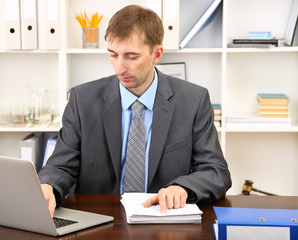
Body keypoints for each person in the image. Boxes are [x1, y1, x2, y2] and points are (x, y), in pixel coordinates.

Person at [38, 5, 231, 217]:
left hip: (163, 219)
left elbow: (216, 172)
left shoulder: (193, 100)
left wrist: (183, 188)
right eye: (113, 55)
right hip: (98, 219)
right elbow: (60, 166)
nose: (119, 68)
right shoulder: (82, 100)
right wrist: (47, 186)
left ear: (156, 54)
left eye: (131, 56)